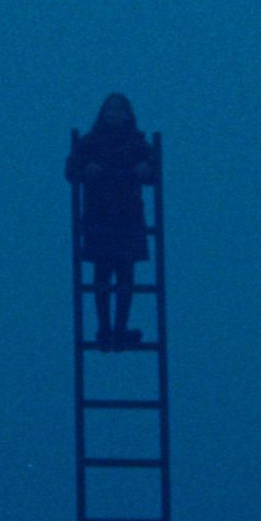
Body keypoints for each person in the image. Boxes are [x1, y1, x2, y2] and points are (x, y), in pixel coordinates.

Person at [66, 93, 158, 350]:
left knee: (125, 275)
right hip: (100, 216)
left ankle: (119, 330)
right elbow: (70, 171)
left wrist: (148, 168)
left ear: (128, 114)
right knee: (103, 275)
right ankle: (105, 329)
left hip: (128, 216)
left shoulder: (137, 143)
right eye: (109, 108)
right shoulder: (90, 142)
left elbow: (156, 170)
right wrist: (85, 171)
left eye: (118, 109)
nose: (113, 113)